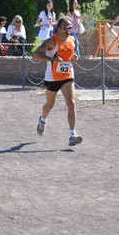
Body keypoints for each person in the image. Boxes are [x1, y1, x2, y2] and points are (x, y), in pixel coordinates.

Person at [33, 16, 82, 147]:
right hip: (52, 77)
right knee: (50, 105)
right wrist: (52, 60)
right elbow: (35, 54)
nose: (69, 30)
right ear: (59, 29)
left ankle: (72, 135)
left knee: (71, 103)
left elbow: (70, 55)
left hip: (67, 75)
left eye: (70, 28)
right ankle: (42, 120)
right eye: (66, 28)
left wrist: (74, 57)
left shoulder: (72, 39)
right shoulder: (51, 41)